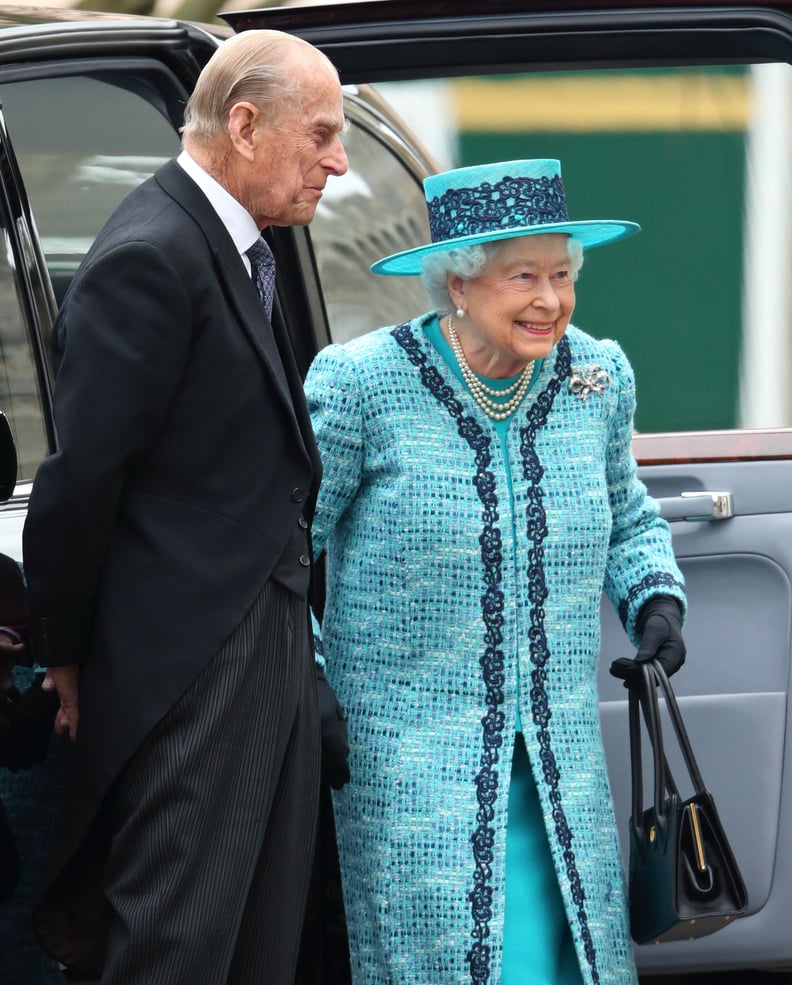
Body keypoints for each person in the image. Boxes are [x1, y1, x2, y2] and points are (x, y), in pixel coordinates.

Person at [304, 158, 687, 985]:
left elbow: (628, 516)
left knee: (566, 960)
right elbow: (278, 550)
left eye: (562, 274)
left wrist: (655, 595)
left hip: (559, 757)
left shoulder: (597, 375)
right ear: (459, 284)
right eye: (524, 276)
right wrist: (309, 677)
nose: (551, 299)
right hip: (409, 767)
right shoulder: (363, 384)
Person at [21, 29, 348, 985]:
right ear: (245, 127)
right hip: (195, 668)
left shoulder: (238, 246)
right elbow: (78, 485)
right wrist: (67, 653)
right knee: (180, 950)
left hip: (264, 646)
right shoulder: (155, 252)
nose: (337, 160)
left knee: (259, 949)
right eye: (321, 134)